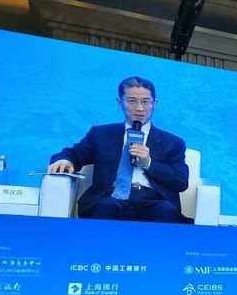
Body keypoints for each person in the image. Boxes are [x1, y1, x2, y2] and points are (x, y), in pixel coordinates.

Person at [48, 76, 188, 223]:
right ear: (119, 102)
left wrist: (149, 163)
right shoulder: (100, 134)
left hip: (154, 199)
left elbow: (181, 181)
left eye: (146, 102)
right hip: (112, 197)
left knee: (165, 210)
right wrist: (66, 161)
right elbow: (73, 154)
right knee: (106, 206)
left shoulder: (172, 142)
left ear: (155, 104)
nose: (140, 108)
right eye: (132, 101)